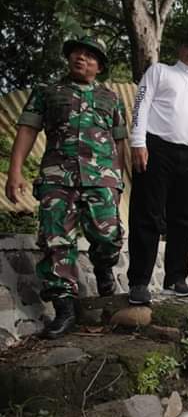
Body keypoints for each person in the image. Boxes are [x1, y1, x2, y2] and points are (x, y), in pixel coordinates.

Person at [5, 35, 126, 338]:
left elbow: (120, 139)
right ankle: (65, 310)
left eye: (89, 55)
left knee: (109, 236)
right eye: (76, 53)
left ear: (100, 66)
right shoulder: (47, 92)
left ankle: (103, 269)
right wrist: (15, 172)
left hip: (102, 178)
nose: (80, 58)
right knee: (55, 242)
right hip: (58, 177)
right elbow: (27, 129)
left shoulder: (111, 98)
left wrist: (118, 181)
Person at [127, 28, 188, 305]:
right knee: (147, 214)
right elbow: (141, 106)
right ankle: (139, 281)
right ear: (180, 48)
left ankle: (175, 279)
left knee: (183, 219)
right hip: (157, 149)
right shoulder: (159, 72)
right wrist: (137, 142)